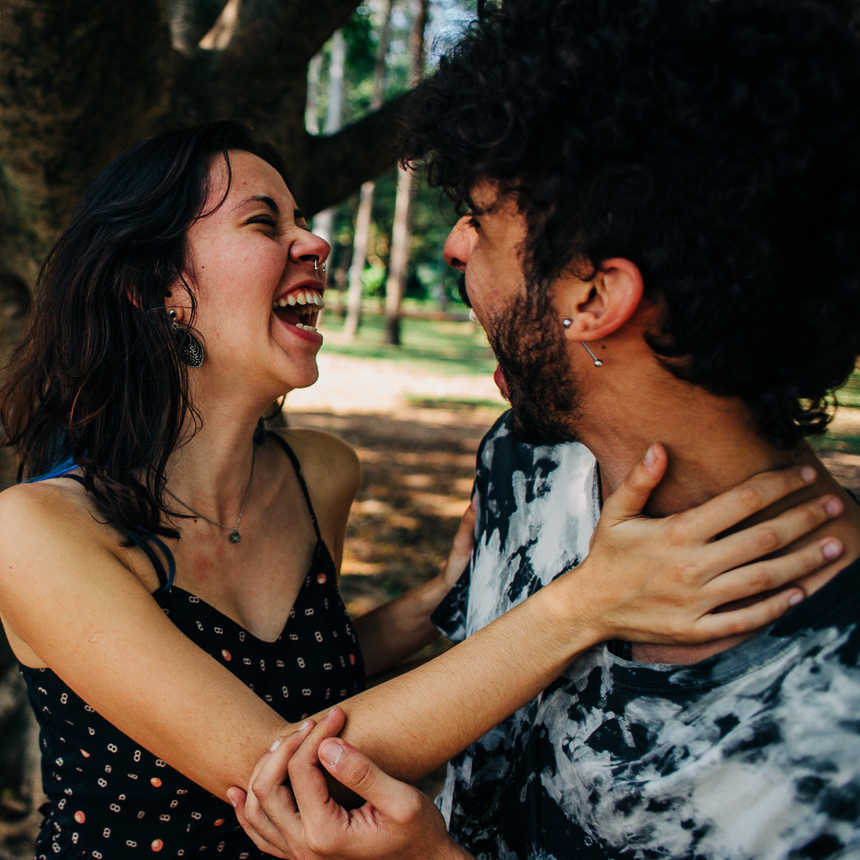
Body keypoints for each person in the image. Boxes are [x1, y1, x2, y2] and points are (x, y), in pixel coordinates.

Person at [0, 120, 843, 860]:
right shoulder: (36, 531)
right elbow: (283, 774)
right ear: (153, 288)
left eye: (304, 220)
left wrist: (439, 602)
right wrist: (589, 602)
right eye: (264, 222)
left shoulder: (320, 474)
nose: (315, 243)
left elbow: (285, 681)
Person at [231, 1, 860, 858]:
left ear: (596, 296)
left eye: (481, 217)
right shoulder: (525, 466)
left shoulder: (836, 713)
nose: (455, 247)